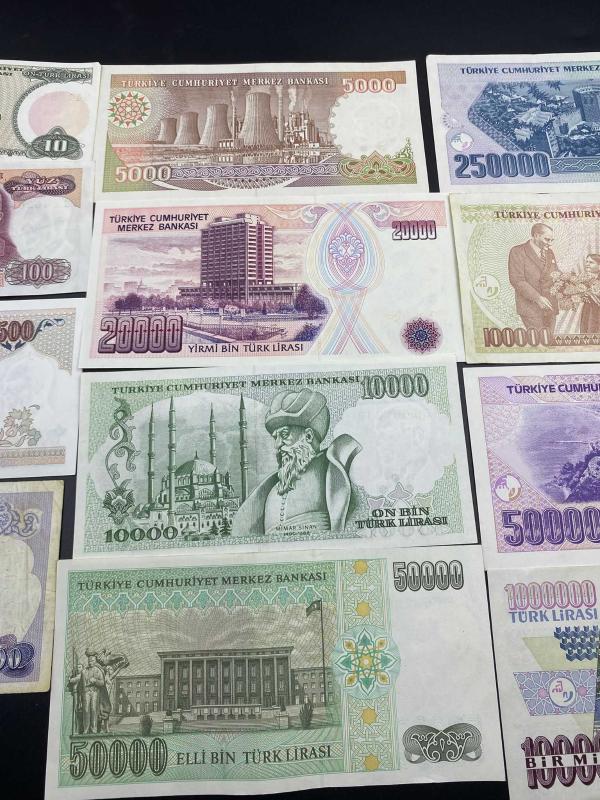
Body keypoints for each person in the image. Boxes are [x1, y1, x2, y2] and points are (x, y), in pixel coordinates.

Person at [231, 389, 361, 537]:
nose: (277, 445)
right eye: (275, 437)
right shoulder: (270, 488)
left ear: (308, 436)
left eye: (284, 434)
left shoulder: (338, 468)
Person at [508, 223, 559, 334]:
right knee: (539, 341)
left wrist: (573, 283)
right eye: (547, 239)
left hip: (550, 306)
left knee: (549, 340)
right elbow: (517, 280)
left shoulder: (549, 252)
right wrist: (537, 298)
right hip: (531, 308)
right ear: (536, 235)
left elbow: (556, 274)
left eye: (552, 240)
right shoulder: (517, 251)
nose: (550, 243)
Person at [82, 650, 105, 734]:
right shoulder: (84, 671)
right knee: (86, 710)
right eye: (89, 660)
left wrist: (95, 681)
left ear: (95, 661)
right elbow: (81, 685)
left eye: (92, 660)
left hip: (95, 692)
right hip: (86, 692)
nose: (90, 662)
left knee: (94, 709)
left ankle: (94, 729)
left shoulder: (98, 671)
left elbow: (102, 683)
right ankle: (86, 729)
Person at [579, 254, 600, 334]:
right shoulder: (584, 278)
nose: (587, 264)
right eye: (586, 261)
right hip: (587, 309)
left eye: (591, 262)